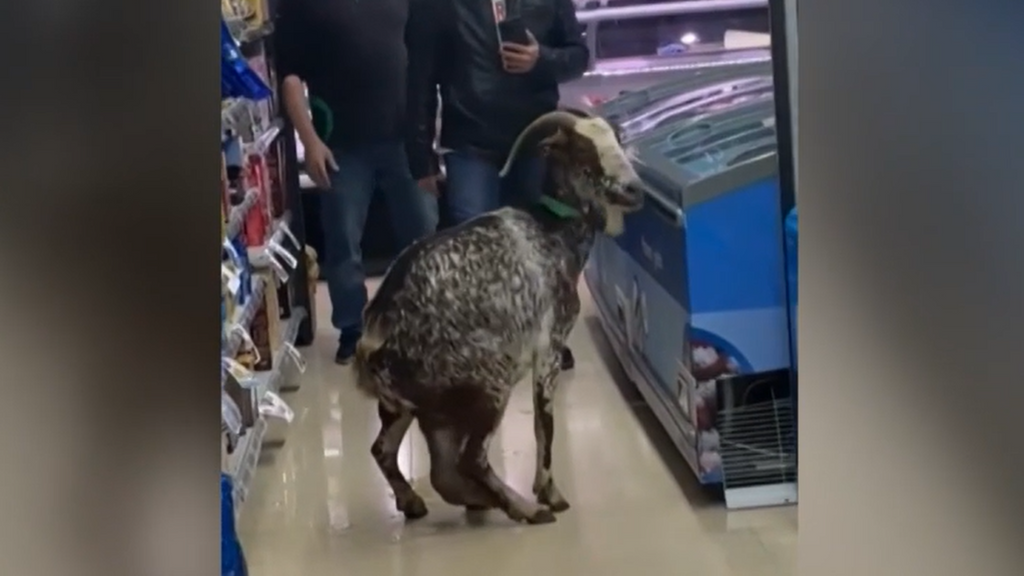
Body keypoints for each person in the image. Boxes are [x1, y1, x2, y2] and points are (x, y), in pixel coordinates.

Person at [405, 0, 589, 368]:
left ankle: (542, 336)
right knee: (477, 250)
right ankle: (483, 341)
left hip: (536, 138)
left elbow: (579, 56)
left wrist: (542, 60)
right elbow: (420, 79)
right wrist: (421, 158)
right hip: (470, 142)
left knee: (539, 246)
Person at [276, 0, 439, 365]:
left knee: (422, 235)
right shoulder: (303, 7)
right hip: (341, 147)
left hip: (404, 140)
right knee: (343, 243)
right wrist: (311, 141)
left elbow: (423, 61)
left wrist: (426, 133)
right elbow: (289, 77)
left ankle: (421, 323)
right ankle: (352, 330)